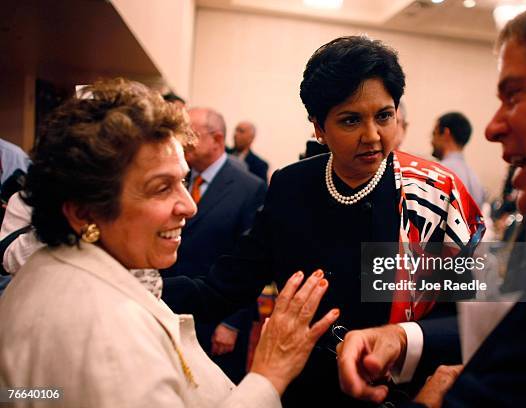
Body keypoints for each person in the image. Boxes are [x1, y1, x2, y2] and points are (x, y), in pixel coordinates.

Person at [163, 36, 484, 407]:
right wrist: (142, 288)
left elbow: (463, 320)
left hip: (394, 393)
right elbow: (225, 286)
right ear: (318, 127)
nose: (372, 136)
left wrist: (398, 337)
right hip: (304, 389)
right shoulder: (291, 186)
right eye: (350, 120)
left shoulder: (430, 194)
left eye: (384, 116)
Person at [336, 0, 526, 406]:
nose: (493, 126)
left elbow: (475, 288)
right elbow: (519, 319)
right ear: (319, 129)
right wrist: (405, 337)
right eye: (349, 120)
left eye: (514, 96)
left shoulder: (442, 185)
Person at [0, 78, 339, 407]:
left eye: (183, 181)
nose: (189, 207)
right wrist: (269, 375)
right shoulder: (106, 337)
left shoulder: (61, 267)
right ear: (83, 212)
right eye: (162, 188)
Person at [162, 107, 266, 383]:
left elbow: (248, 260)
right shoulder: (179, 178)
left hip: (216, 317)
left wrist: (231, 323)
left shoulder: (249, 187)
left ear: (217, 139)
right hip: (169, 307)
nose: (181, 142)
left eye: (189, 135)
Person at [431, 112, 486, 208]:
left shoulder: (439, 173)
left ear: (445, 133)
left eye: (434, 134)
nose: (432, 141)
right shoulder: (475, 179)